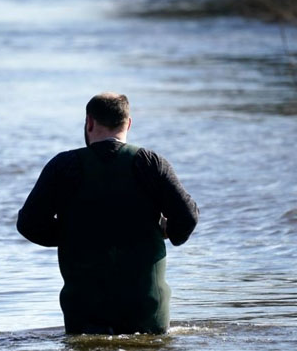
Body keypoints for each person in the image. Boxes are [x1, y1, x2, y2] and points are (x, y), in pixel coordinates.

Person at [17, 92, 198, 335]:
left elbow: (29, 224)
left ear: (89, 122)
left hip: (84, 313)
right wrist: (168, 231)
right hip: (147, 312)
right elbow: (188, 217)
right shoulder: (150, 163)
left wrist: (74, 233)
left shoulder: (63, 166)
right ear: (128, 123)